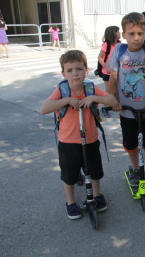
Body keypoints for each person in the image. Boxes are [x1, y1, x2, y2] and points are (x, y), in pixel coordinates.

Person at [40, 50, 120, 219]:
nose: (74, 73)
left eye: (79, 69)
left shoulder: (90, 88)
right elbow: (44, 108)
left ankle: (97, 196)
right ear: (63, 73)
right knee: (69, 174)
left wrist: (94, 99)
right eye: (69, 70)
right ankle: (70, 202)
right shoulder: (62, 90)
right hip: (68, 142)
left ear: (86, 70)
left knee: (94, 171)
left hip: (90, 139)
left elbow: (112, 101)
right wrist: (67, 101)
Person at [107, 12, 145, 196]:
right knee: (131, 144)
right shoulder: (119, 50)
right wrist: (112, 100)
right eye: (131, 34)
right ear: (123, 34)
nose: (136, 38)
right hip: (126, 110)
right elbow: (113, 76)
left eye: (140, 33)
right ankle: (135, 169)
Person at [98, 26, 121, 118]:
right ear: (112, 33)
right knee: (108, 91)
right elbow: (100, 57)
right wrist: (105, 66)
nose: (120, 33)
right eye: (117, 31)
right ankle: (104, 107)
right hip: (107, 72)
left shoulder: (119, 44)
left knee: (117, 89)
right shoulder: (106, 45)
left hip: (117, 71)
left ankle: (115, 104)